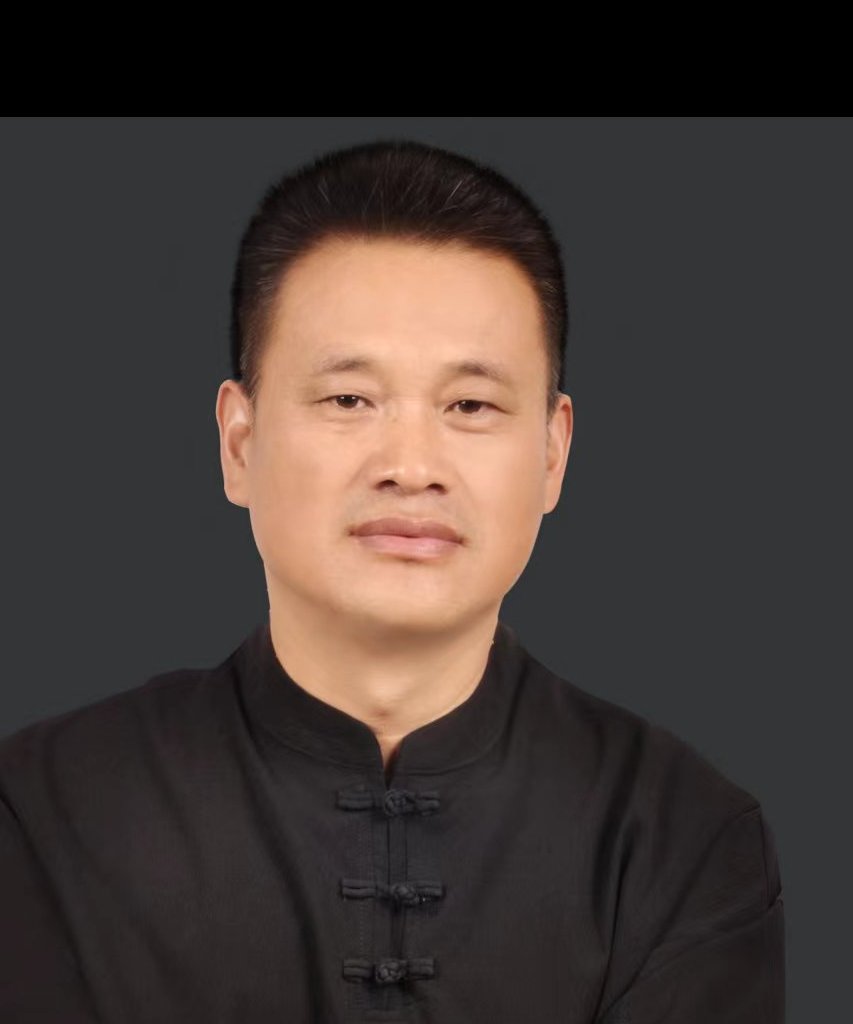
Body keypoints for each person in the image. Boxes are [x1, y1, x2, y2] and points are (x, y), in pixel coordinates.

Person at [0, 139, 785, 1022]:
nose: (411, 467)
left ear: (552, 454)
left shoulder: (680, 838)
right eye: (349, 399)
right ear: (239, 443)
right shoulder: (46, 811)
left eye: (470, 406)